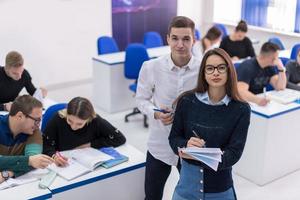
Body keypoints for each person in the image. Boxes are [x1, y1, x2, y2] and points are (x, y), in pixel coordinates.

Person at [169, 48, 251, 200]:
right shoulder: (186, 101)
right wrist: (186, 144)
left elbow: (234, 153)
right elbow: (174, 139)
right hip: (186, 188)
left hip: (220, 190)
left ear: (229, 71)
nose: (215, 73)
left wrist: (199, 156)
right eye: (210, 68)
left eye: (221, 67)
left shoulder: (241, 109)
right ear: (203, 73)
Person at [136, 16, 201, 200]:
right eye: (175, 38)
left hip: (190, 146)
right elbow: (141, 100)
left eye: (186, 39)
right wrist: (154, 113)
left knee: (192, 196)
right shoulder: (151, 67)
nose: (180, 44)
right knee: (152, 196)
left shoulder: (203, 68)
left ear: (194, 40)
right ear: (168, 39)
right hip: (159, 144)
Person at [43, 97, 126, 166]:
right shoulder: (57, 119)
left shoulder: (95, 120)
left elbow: (119, 138)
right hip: (64, 163)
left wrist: (90, 144)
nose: (73, 127)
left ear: (88, 119)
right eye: (70, 121)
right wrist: (54, 156)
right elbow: (45, 145)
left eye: (79, 124)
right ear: (66, 113)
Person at [0, 95, 53, 182]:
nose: (38, 125)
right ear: (20, 116)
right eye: (36, 120)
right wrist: (28, 161)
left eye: (40, 120)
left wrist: (8, 173)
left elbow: (35, 162)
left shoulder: (34, 131)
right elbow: (31, 161)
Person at [237, 42, 287, 106]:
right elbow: (241, 91)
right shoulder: (247, 67)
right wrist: (257, 100)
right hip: (243, 102)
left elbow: (280, 87)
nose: (277, 59)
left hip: (256, 102)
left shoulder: (270, 66)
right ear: (270, 58)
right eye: (276, 57)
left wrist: (281, 68)